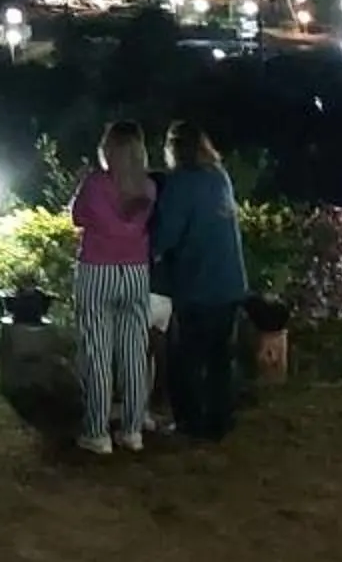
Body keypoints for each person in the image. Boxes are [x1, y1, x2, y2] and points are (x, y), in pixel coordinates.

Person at [148, 119, 249, 442]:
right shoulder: (219, 177)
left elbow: (166, 235)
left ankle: (189, 423)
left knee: (184, 360)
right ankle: (219, 422)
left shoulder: (181, 184)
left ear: (173, 149)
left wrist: (144, 248)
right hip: (230, 283)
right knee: (220, 358)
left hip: (198, 285)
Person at [67, 120, 155, 453]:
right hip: (135, 271)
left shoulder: (95, 184)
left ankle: (97, 432)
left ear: (109, 149)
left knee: (98, 353)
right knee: (134, 352)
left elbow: (77, 217)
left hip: (98, 271)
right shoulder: (148, 188)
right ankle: (133, 430)